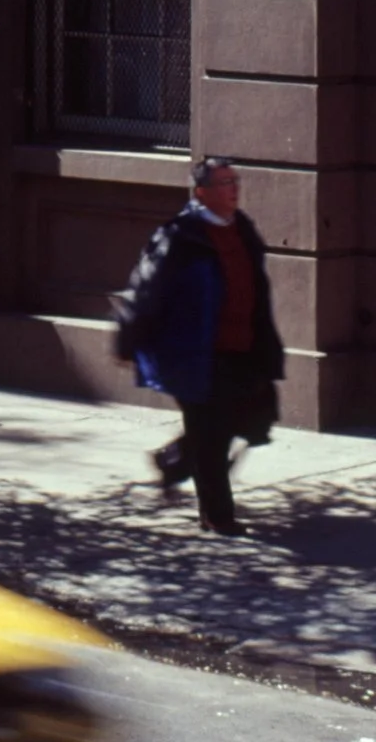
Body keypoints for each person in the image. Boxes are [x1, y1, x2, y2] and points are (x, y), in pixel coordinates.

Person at [114, 156, 285, 535]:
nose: (234, 188)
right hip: (197, 353)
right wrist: (129, 337)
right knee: (212, 434)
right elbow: (146, 288)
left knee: (248, 419)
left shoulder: (242, 228)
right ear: (202, 192)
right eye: (224, 183)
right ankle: (218, 518)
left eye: (235, 180)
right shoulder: (180, 235)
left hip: (244, 349)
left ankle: (174, 460)